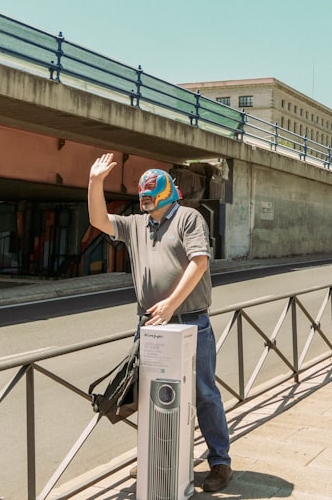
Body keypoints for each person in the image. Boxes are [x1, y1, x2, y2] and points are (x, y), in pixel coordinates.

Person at [87, 153, 232, 493]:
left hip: (190, 320)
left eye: (150, 193)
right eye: (143, 194)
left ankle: (219, 461)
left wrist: (170, 304)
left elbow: (198, 263)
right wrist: (95, 182)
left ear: (168, 192)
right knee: (152, 394)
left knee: (204, 392)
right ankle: (158, 456)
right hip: (151, 324)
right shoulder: (136, 223)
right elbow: (97, 220)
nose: (145, 199)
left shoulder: (188, 218)